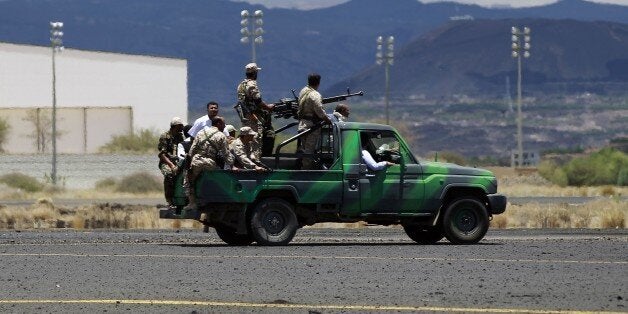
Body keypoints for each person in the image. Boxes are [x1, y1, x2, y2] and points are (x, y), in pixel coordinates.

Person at [185, 116, 236, 210]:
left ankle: (192, 203)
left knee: (189, 181)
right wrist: (232, 165)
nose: (224, 126)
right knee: (215, 180)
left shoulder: (201, 132)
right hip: (210, 162)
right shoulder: (221, 136)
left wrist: (190, 162)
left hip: (197, 160)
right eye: (223, 124)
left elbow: (192, 149)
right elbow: (226, 154)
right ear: (218, 124)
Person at [236, 63, 275, 156]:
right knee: (255, 140)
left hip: (246, 117)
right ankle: (255, 161)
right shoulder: (252, 85)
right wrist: (268, 107)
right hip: (254, 117)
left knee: (246, 139)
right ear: (255, 73)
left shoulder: (241, 85)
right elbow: (258, 101)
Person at [297, 73, 331, 170]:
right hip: (311, 127)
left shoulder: (303, 91)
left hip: (302, 125)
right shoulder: (315, 94)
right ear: (318, 83)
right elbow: (319, 110)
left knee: (305, 149)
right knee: (309, 151)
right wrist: (327, 119)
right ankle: (307, 171)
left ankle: (305, 166)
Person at [158, 117, 185, 206]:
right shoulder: (165, 136)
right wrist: (171, 165)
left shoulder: (180, 136)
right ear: (175, 126)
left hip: (178, 161)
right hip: (166, 162)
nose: (182, 128)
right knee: (169, 174)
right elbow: (162, 154)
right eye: (180, 126)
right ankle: (169, 199)